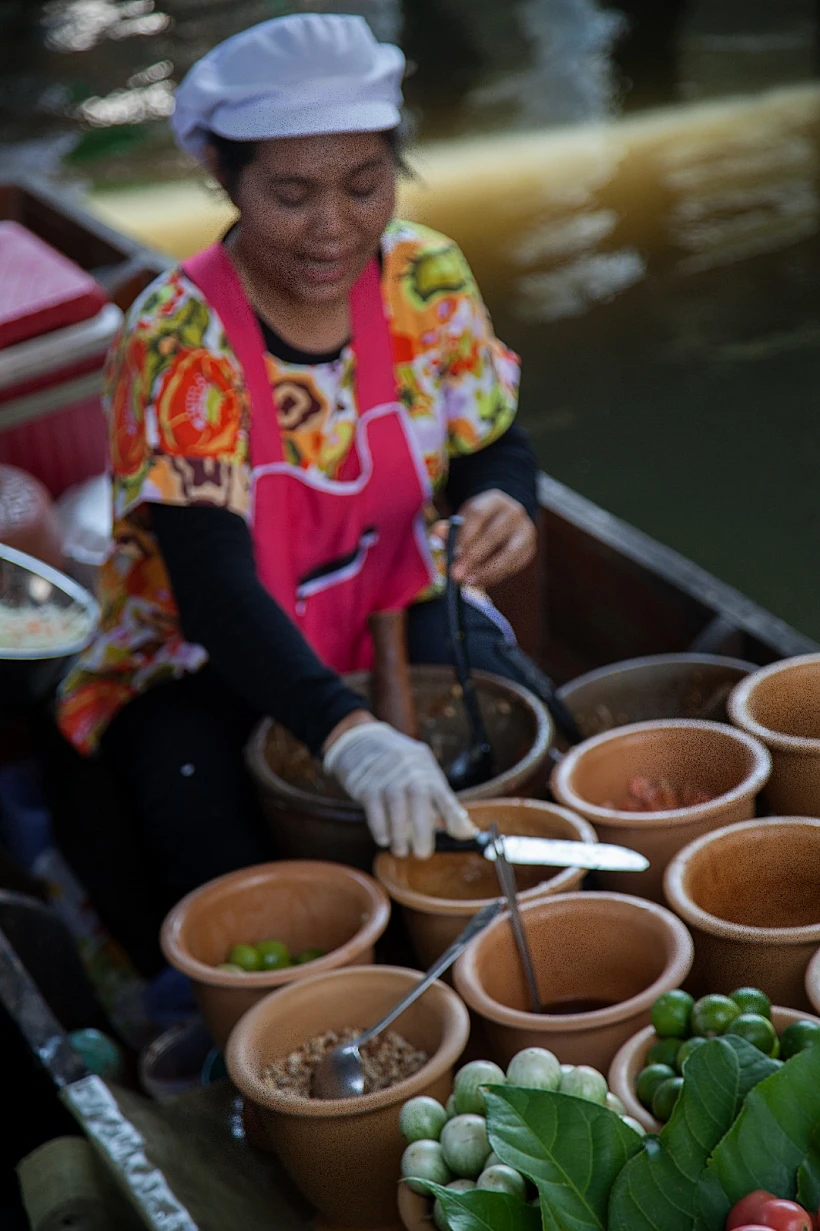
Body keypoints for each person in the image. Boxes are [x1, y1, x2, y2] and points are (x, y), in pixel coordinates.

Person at [55, 13, 541, 925]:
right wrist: (352, 736)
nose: (333, 230)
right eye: (291, 195)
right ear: (223, 175)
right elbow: (212, 591)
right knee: (228, 869)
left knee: (523, 740)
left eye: (365, 185)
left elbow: (491, 444)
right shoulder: (177, 340)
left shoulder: (424, 278)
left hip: (395, 598)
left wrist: (505, 500)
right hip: (199, 649)